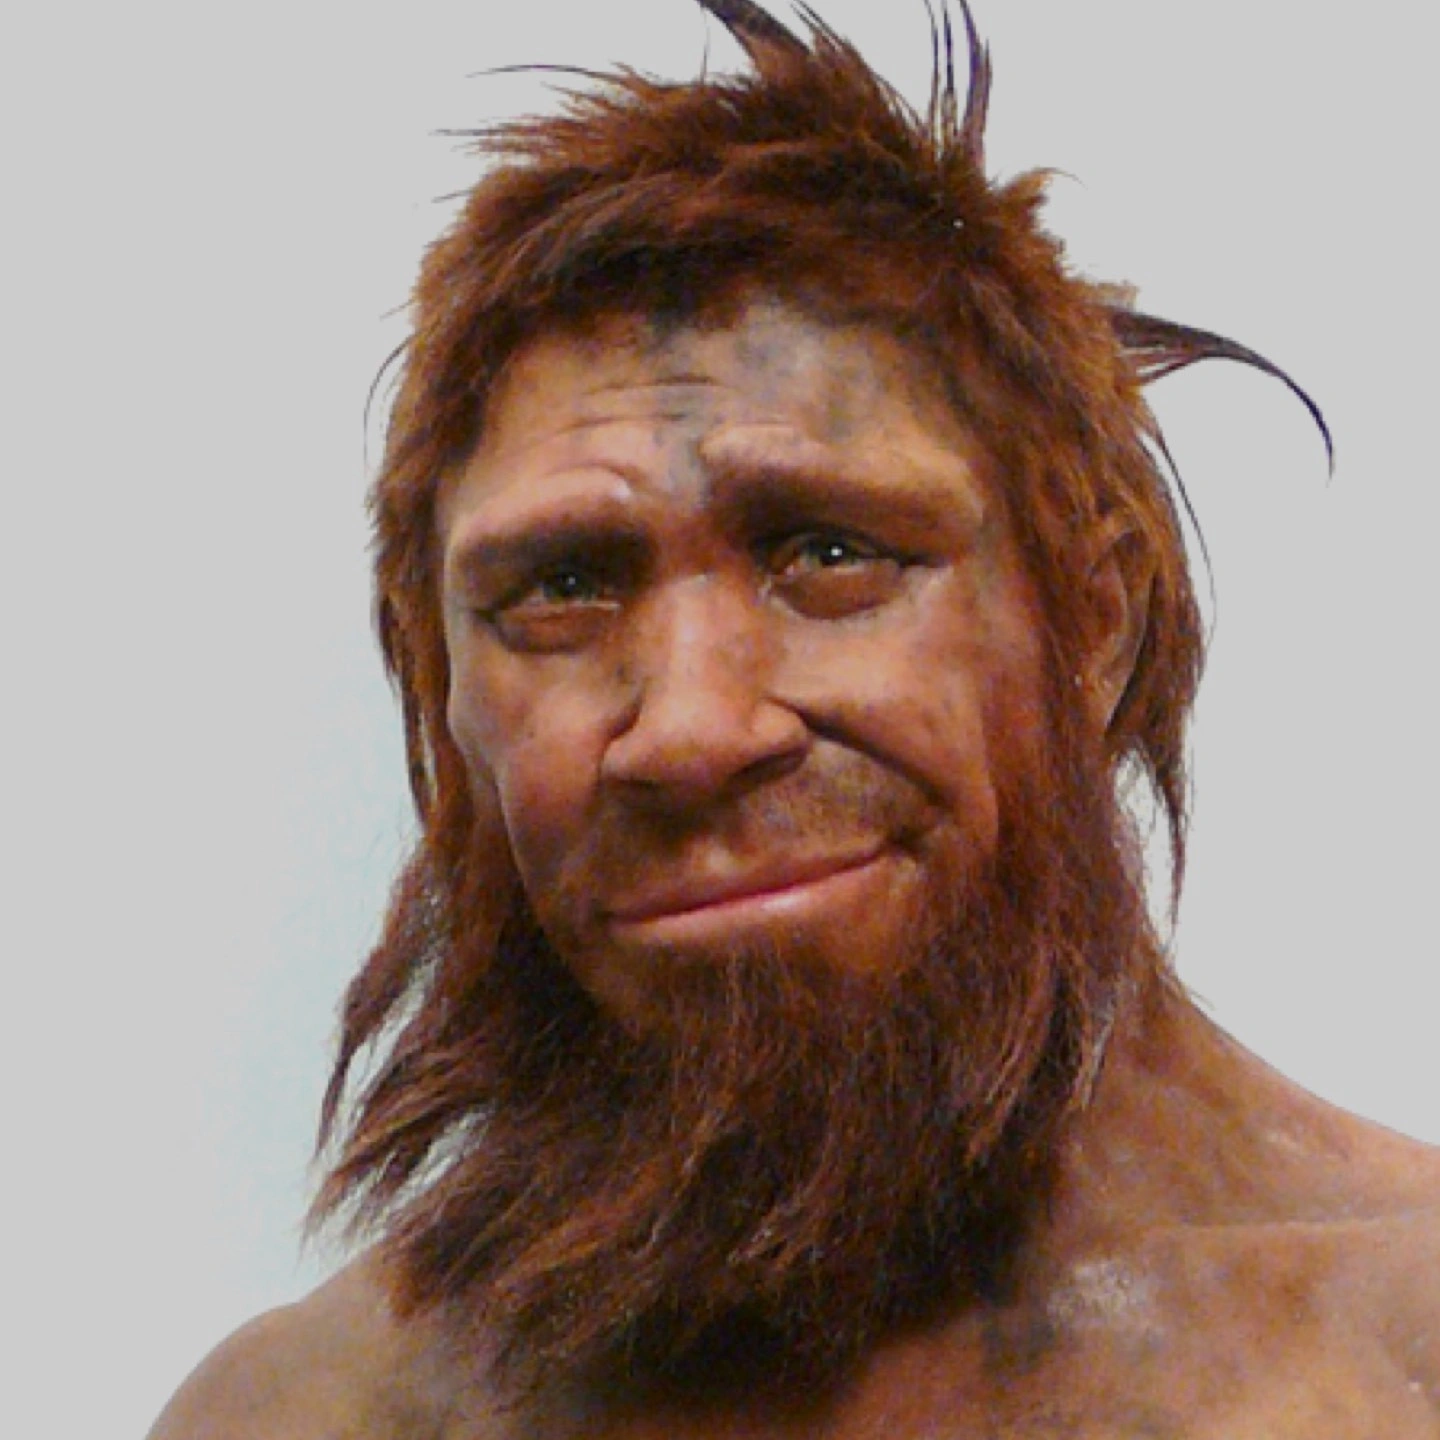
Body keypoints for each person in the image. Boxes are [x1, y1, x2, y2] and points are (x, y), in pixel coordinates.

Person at [147, 2, 1440, 1434]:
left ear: (1096, 617)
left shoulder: (1399, 1349)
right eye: (563, 588)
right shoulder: (313, 1412)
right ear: (434, 681)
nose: (691, 729)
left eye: (830, 552)